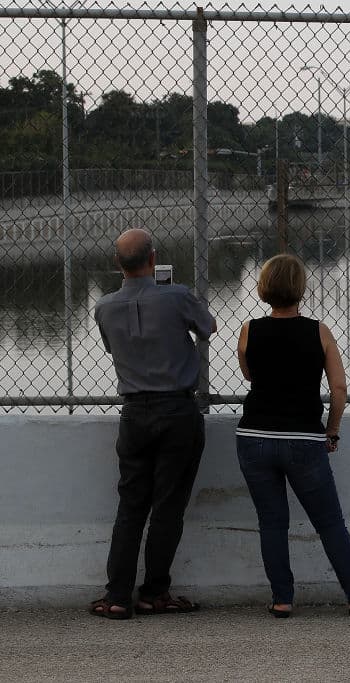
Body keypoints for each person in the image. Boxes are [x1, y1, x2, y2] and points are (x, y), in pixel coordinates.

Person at [235, 254, 350, 619]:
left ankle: (282, 599)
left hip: (254, 435)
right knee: (329, 522)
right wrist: (332, 430)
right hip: (304, 438)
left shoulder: (249, 329)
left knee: (272, 522)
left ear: (264, 288)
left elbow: (249, 374)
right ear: (301, 289)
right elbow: (338, 388)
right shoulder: (319, 331)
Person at [89, 229, 217, 619]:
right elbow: (208, 328)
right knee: (167, 506)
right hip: (177, 410)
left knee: (131, 506)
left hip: (134, 413)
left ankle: (116, 595)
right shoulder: (176, 295)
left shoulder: (104, 307)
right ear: (153, 258)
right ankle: (155, 592)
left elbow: (113, 346)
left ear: (117, 265)